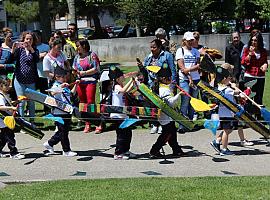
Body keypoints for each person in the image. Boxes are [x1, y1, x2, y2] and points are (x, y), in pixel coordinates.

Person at [137, 38, 177, 134]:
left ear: (159, 47)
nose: (152, 49)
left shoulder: (167, 55)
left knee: (164, 104)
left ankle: (164, 125)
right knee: (153, 105)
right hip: (152, 84)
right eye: (151, 47)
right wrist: (141, 67)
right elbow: (145, 72)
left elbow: (173, 70)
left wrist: (172, 84)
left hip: (164, 84)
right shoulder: (148, 58)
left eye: (154, 47)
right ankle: (155, 124)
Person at [149, 67, 185, 158]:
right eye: (169, 78)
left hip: (166, 115)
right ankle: (154, 150)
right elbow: (171, 102)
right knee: (166, 134)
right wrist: (179, 94)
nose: (171, 79)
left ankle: (176, 150)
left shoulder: (161, 87)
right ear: (164, 79)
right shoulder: (164, 90)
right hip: (165, 115)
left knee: (172, 132)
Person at [225, 34, 254, 146]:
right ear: (232, 38)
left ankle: (242, 125)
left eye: (237, 37)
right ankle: (222, 137)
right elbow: (226, 65)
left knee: (242, 102)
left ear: (240, 38)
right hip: (232, 79)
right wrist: (230, 79)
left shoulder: (244, 46)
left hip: (242, 77)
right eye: (234, 37)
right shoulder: (228, 48)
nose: (236, 39)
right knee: (236, 106)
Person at [43, 66, 78, 157]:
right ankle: (66, 150)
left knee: (64, 131)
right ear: (57, 77)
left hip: (67, 111)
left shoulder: (65, 85)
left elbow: (71, 93)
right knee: (63, 132)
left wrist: (76, 85)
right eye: (62, 77)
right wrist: (61, 86)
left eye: (65, 77)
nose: (65, 78)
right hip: (59, 113)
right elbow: (52, 93)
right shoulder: (56, 85)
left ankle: (50, 143)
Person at [72, 39, 100, 133]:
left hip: (90, 81)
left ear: (84, 46)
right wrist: (75, 72)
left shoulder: (92, 55)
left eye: (78, 46)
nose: (77, 48)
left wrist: (84, 73)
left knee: (90, 101)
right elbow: (74, 67)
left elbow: (96, 68)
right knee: (82, 103)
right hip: (80, 82)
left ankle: (97, 122)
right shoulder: (76, 57)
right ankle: (87, 123)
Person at [108, 66, 136, 160]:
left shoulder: (120, 86)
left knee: (128, 133)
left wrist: (134, 82)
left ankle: (126, 150)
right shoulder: (115, 87)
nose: (124, 77)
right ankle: (118, 153)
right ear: (117, 78)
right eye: (122, 76)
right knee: (121, 134)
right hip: (117, 115)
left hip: (124, 114)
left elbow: (128, 90)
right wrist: (131, 80)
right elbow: (124, 91)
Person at [11, 31, 39, 120]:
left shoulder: (35, 50)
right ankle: (22, 121)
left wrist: (31, 49)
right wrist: (13, 48)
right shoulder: (19, 50)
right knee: (21, 101)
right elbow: (11, 58)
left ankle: (32, 121)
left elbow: (36, 59)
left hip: (31, 80)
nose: (28, 41)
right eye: (27, 39)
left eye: (30, 39)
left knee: (31, 102)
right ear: (23, 39)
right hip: (19, 79)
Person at [176, 31, 200, 131]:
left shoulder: (196, 51)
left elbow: (198, 66)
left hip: (196, 79)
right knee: (185, 101)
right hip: (184, 79)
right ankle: (182, 124)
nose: (190, 42)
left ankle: (190, 123)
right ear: (184, 41)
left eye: (192, 40)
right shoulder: (180, 51)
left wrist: (188, 70)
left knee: (193, 101)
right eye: (188, 40)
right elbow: (181, 67)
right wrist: (188, 75)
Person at [210, 64, 236, 156]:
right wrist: (235, 87)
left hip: (222, 113)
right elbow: (235, 95)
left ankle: (217, 141)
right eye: (229, 78)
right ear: (225, 79)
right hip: (227, 113)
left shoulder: (219, 88)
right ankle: (224, 149)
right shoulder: (228, 90)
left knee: (228, 129)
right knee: (226, 131)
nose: (230, 79)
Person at [241, 31, 268, 120]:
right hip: (249, 75)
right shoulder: (247, 50)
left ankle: (258, 116)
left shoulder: (263, 51)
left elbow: (265, 62)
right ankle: (248, 117)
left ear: (259, 41)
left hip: (260, 76)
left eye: (256, 40)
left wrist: (265, 65)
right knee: (248, 97)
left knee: (259, 97)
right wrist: (249, 54)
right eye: (252, 40)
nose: (253, 42)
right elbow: (243, 62)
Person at [0, 78, 25, 159]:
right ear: (0, 86)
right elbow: (1, 107)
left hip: (6, 120)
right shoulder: (0, 96)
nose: (8, 87)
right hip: (4, 120)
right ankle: (13, 153)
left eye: (9, 85)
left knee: (4, 137)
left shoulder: (5, 95)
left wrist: (16, 102)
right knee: (10, 136)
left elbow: (8, 103)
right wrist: (12, 108)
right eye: (6, 85)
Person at [32, 30, 50, 112]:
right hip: (33, 74)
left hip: (43, 74)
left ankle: (46, 109)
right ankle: (30, 109)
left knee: (44, 93)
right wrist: (40, 56)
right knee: (32, 93)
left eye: (38, 36)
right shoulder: (31, 47)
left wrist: (39, 57)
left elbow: (48, 57)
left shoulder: (46, 46)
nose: (37, 39)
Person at [0, 27, 16, 100]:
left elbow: (15, 64)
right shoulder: (1, 48)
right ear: (4, 37)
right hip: (2, 75)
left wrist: (4, 65)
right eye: (8, 37)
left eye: (11, 37)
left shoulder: (15, 47)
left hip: (13, 75)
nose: (10, 39)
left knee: (13, 95)